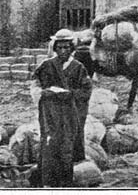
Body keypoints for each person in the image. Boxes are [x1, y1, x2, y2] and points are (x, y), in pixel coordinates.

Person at [30, 29, 93, 187]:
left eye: (66, 47)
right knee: (49, 143)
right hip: (50, 112)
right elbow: (36, 84)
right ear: (55, 48)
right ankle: (47, 182)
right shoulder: (47, 65)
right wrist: (41, 92)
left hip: (69, 113)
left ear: (72, 49)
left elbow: (86, 91)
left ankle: (65, 184)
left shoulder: (78, 67)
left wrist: (71, 94)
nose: (63, 51)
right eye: (60, 48)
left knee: (66, 145)